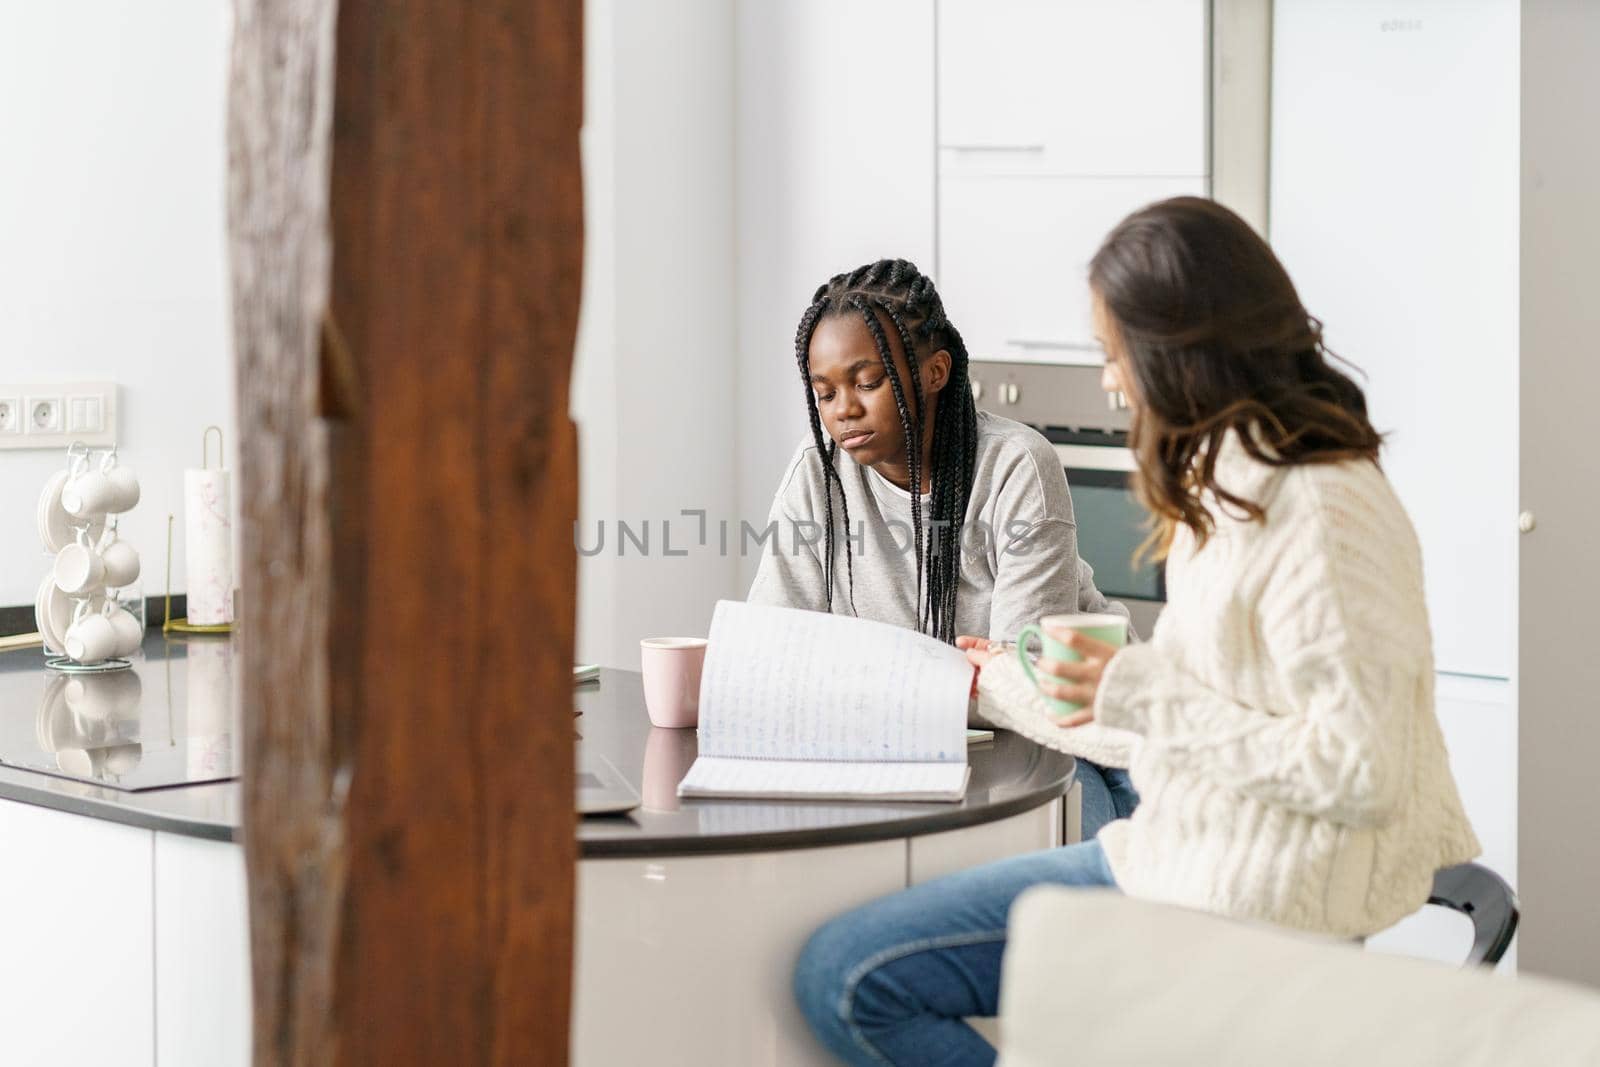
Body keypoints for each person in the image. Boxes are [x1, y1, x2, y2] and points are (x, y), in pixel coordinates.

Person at [792, 198, 1482, 1067]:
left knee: (850, 978)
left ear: (1182, 348)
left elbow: (1359, 768)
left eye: (1115, 354)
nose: (1113, 382)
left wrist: (1137, 689)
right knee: (845, 971)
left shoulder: (1319, 506)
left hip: (1239, 897)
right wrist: (996, 681)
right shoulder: (1238, 483)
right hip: (1191, 860)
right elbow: (1181, 710)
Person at [746, 257, 1135, 834]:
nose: (843, 409)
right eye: (824, 393)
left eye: (866, 382)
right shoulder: (816, 474)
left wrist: (860, 684)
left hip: (1072, 729)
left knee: (1084, 875)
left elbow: (1020, 686)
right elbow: (773, 654)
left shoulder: (1016, 465)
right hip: (915, 743)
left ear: (935, 371)